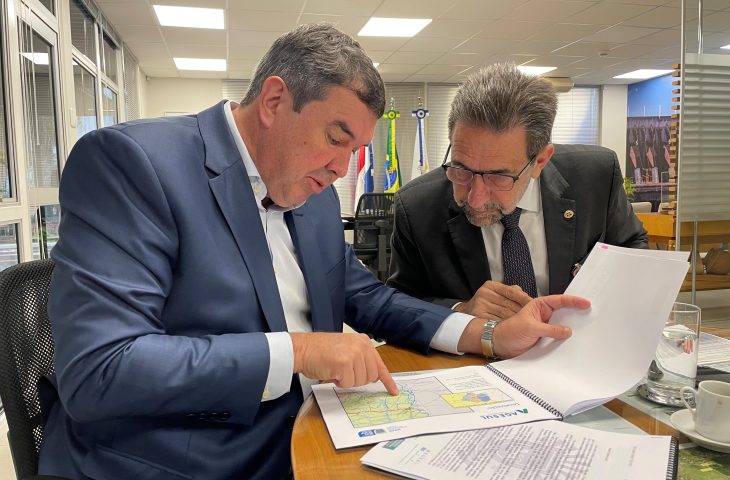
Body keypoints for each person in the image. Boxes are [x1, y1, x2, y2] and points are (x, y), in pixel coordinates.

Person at [38, 27, 589, 479]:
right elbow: (98, 369)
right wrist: (297, 352)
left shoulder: (311, 189)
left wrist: (486, 334)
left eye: (356, 150)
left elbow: (366, 297)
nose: (341, 170)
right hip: (179, 460)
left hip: (310, 432)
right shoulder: (134, 164)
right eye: (335, 138)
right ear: (275, 101)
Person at [388, 63, 645, 321]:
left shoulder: (595, 176)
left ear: (540, 161)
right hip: (478, 345)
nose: (475, 198)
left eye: (498, 176)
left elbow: (632, 247)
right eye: (461, 169)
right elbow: (398, 303)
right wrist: (462, 311)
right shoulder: (417, 207)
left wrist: (602, 283)